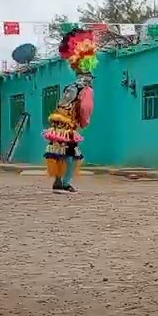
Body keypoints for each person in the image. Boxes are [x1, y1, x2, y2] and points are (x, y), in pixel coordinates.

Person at [45, 29, 97, 194]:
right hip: (68, 127)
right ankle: (65, 183)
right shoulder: (86, 89)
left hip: (58, 125)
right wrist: (83, 122)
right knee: (73, 156)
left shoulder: (71, 87)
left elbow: (62, 105)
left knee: (60, 154)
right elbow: (85, 109)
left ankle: (58, 181)